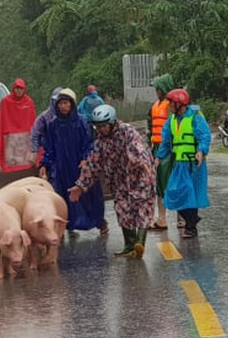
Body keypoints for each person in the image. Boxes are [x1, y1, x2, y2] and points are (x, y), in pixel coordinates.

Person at [69, 105, 156, 257]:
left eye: (103, 126)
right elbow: (93, 164)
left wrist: (141, 163)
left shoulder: (127, 131)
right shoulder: (100, 141)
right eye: (98, 126)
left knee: (141, 207)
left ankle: (139, 244)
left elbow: (137, 148)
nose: (101, 129)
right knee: (122, 210)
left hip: (139, 175)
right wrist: (80, 186)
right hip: (118, 180)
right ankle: (129, 246)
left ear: (112, 122)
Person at [40, 88, 106, 234]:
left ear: (71, 105)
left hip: (79, 166)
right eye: (60, 103)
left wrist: (85, 159)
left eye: (66, 103)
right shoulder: (53, 125)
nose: (63, 106)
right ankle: (65, 225)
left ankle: (99, 221)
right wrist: (45, 164)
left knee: (89, 195)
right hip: (62, 168)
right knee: (63, 197)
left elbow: (89, 143)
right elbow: (49, 147)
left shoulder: (81, 122)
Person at [155, 88, 211, 239]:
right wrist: (158, 157)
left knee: (189, 194)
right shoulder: (171, 120)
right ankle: (192, 219)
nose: (169, 106)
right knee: (173, 193)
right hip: (179, 164)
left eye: (172, 103)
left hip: (194, 164)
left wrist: (201, 151)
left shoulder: (195, 117)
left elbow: (204, 136)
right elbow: (166, 142)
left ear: (180, 104)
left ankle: (191, 227)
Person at [147, 74, 174, 231]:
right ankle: (161, 218)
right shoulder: (155, 105)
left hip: (169, 149)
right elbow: (151, 126)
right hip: (157, 147)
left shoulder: (171, 106)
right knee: (158, 185)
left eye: (158, 88)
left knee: (172, 183)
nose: (156, 91)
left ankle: (182, 218)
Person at [0, 78, 38, 173]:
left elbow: (33, 121)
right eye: (17, 88)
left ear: (24, 89)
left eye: (21, 88)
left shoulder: (29, 102)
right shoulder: (5, 102)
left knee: (26, 167)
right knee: (11, 169)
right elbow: (1, 121)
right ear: (13, 89)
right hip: (10, 139)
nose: (18, 91)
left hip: (25, 138)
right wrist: (0, 138)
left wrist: (34, 138)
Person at [29, 86, 64, 159]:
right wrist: (34, 151)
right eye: (57, 101)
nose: (60, 104)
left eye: (63, 102)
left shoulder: (74, 118)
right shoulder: (44, 117)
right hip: (49, 154)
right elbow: (35, 134)